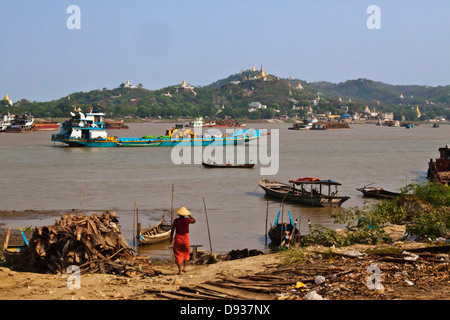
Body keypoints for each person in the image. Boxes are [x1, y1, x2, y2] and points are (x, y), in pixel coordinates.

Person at [170, 206, 196, 274]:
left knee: (177, 253)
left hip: (178, 238)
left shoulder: (176, 221)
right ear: (185, 214)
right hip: (185, 238)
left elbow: (172, 230)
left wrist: (170, 238)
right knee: (186, 252)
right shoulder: (187, 220)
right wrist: (189, 214)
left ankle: (180, 270)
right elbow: (194, 220)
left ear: (178, 214)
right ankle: (185, 267)